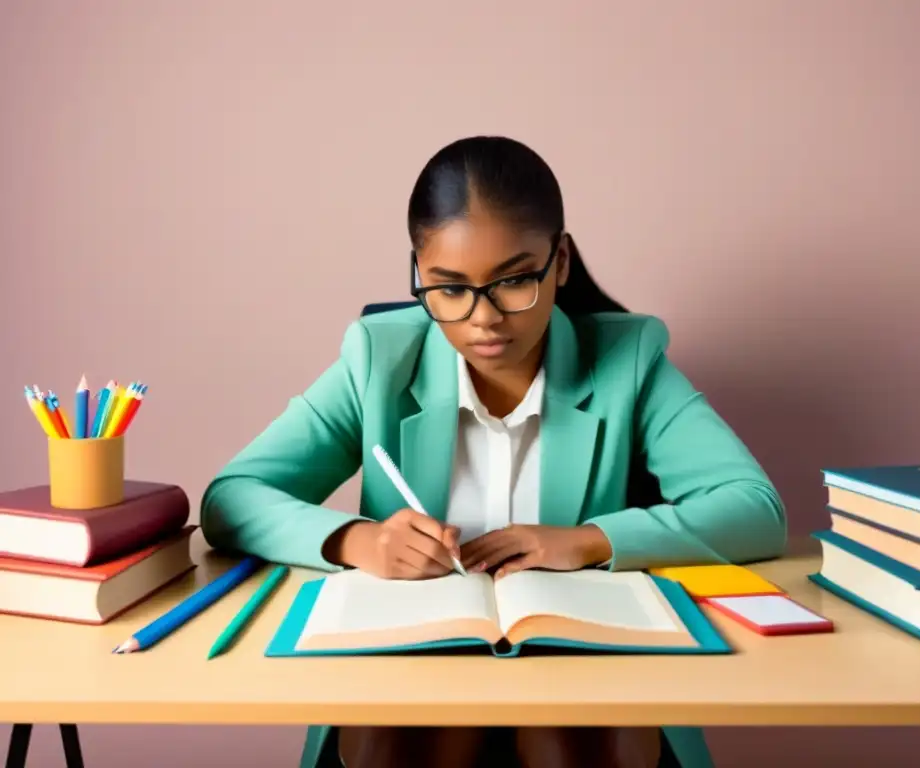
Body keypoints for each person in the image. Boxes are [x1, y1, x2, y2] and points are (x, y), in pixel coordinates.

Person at [200, 135, 787, 768]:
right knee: (404, 739)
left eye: (513, 281)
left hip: (579, 659)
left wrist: (589, 540)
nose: (483, 318)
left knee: (575, 742)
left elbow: (755, 509)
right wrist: (358, 542)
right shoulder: (376, 358)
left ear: (559, 261)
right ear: (419, 273)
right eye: (449, 288)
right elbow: (232, 497)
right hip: (418, 659)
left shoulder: (630, 359)